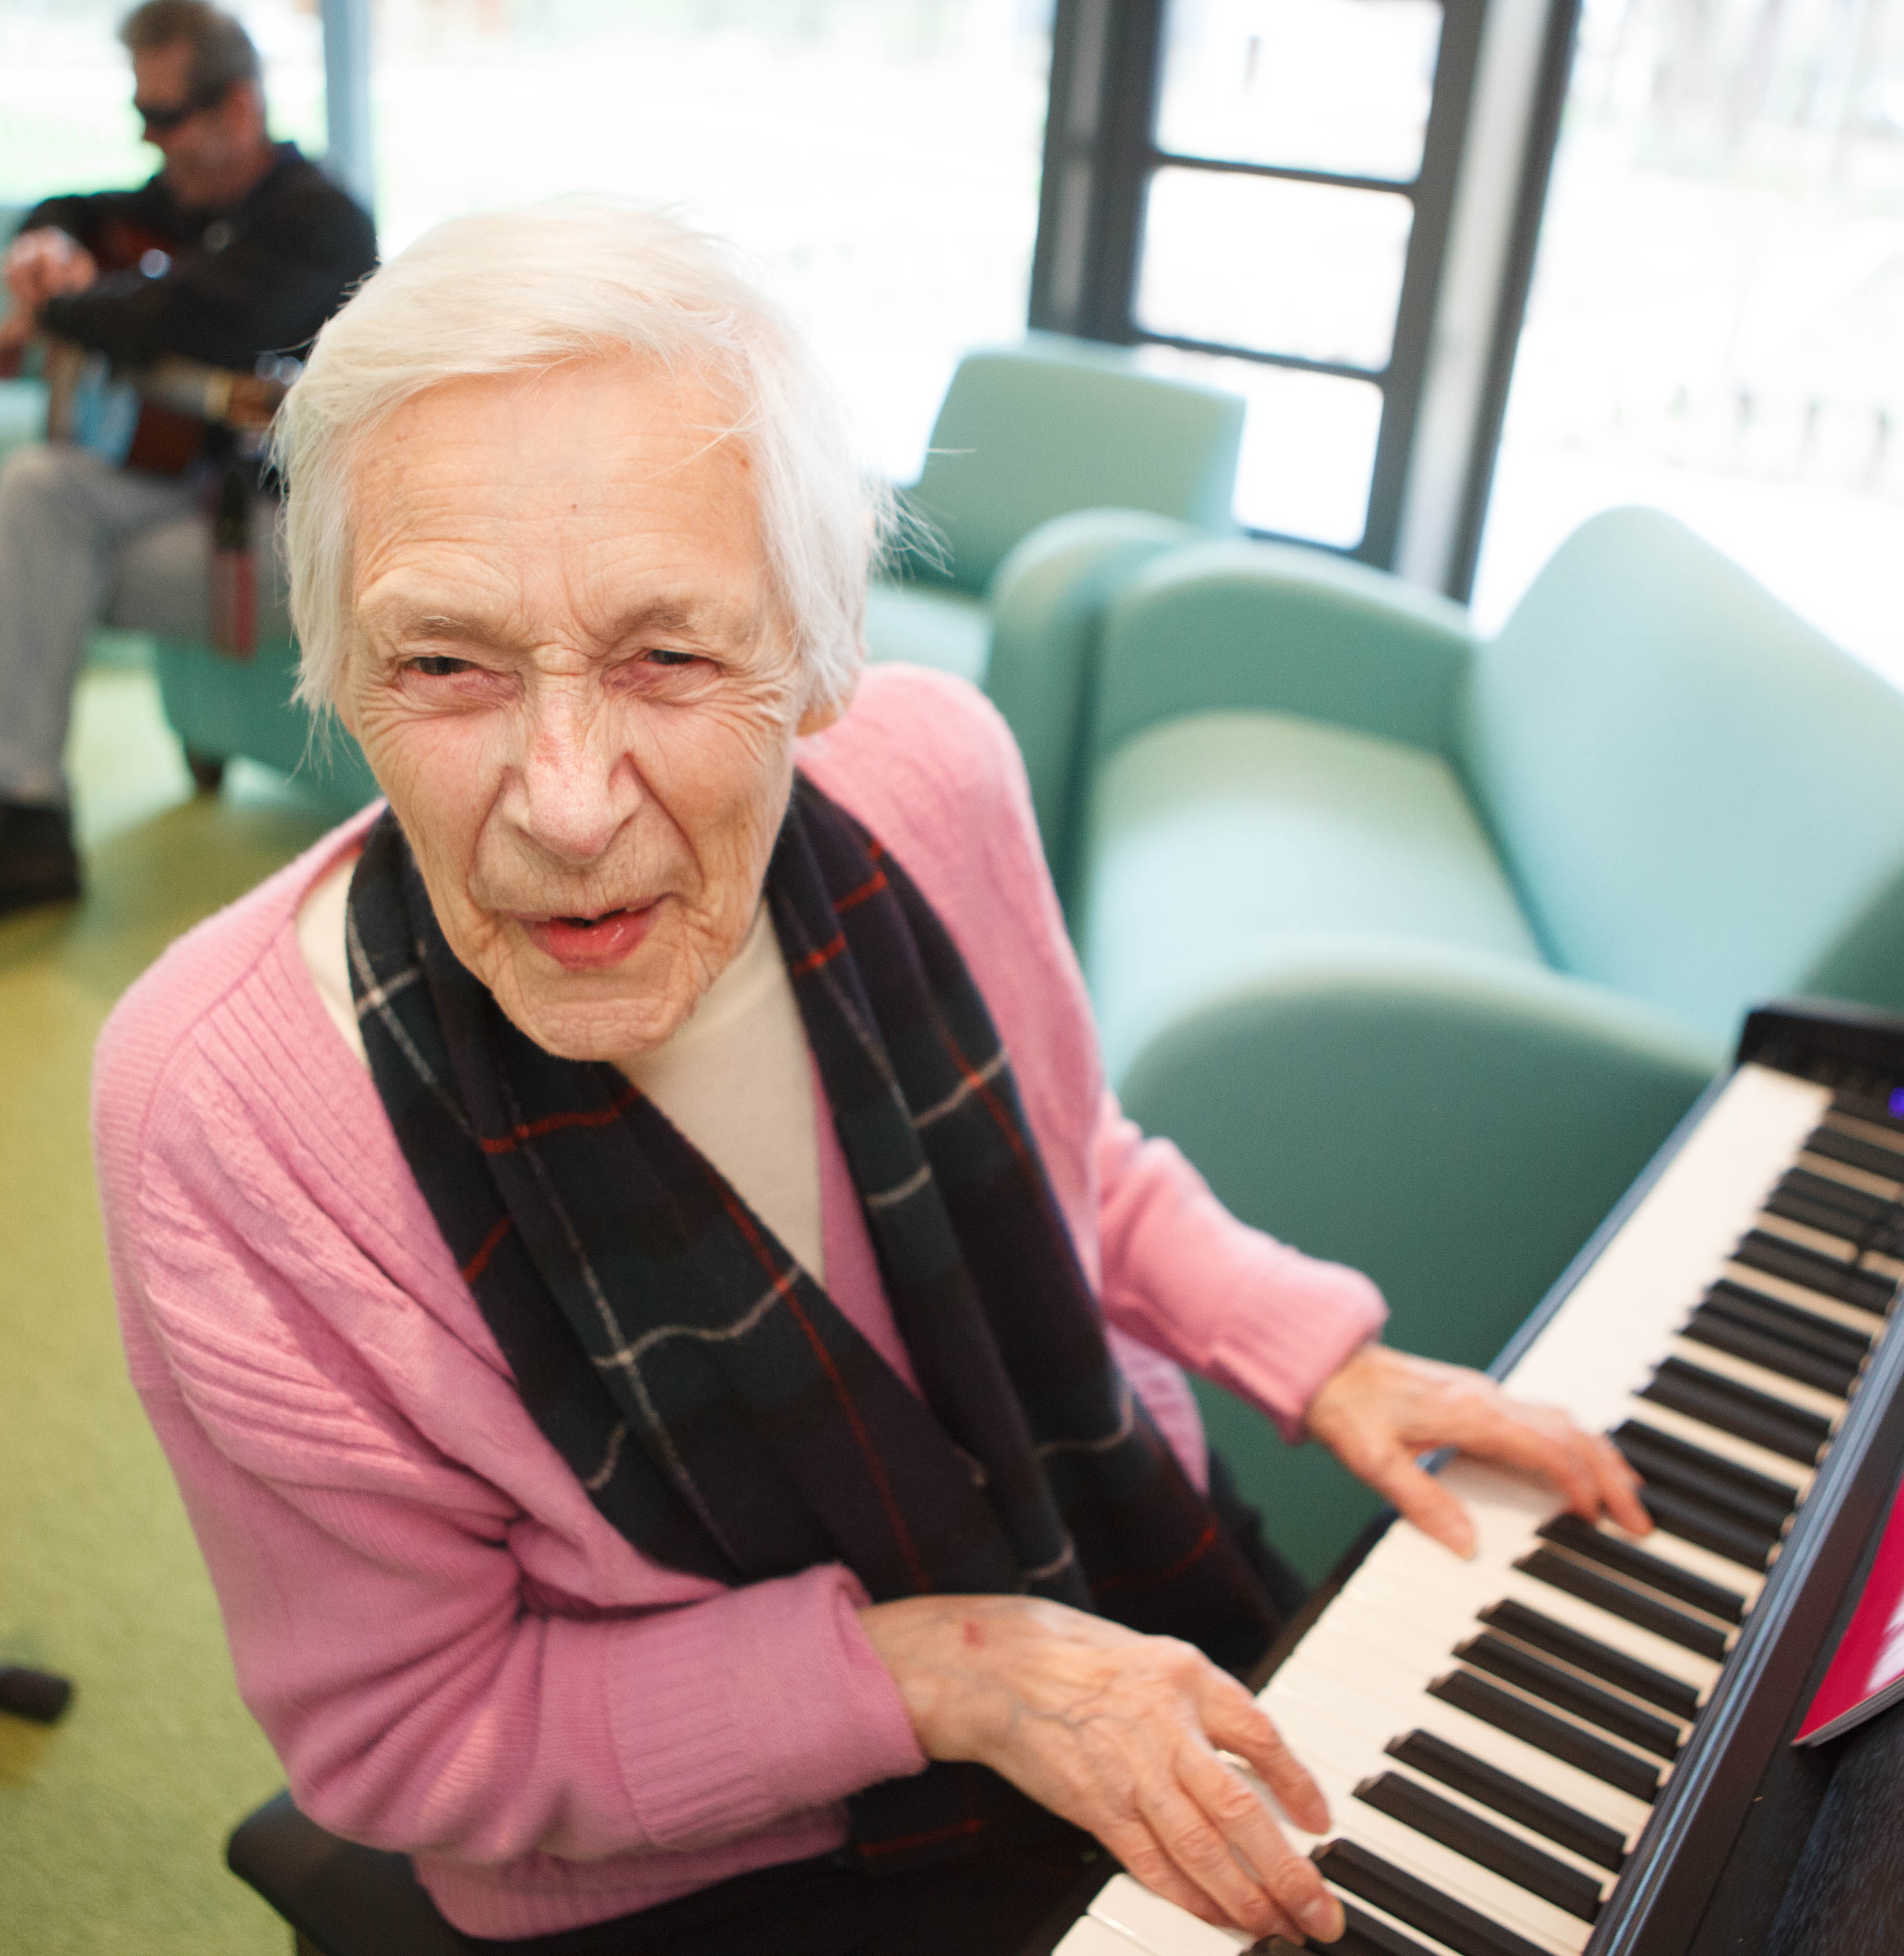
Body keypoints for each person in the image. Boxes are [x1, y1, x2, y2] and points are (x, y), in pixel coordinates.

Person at [94, 204, 1648, 1955]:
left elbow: (1072, 1162)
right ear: (337, 680)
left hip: (1106, 1559)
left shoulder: (934, 778)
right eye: (445, 663)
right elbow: (410, 1739)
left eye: (669, 654)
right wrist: (946, 1674)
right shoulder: (215, 1107)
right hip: (703, 1866)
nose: (567, 804)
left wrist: (1314, 1349)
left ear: (819, 654)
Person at [0, 0, 377, 931]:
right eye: (140, 114)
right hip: (196, 510)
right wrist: (46, 244)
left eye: (166, 117)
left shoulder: (323, 223)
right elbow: (79, 209)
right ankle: (17, 813)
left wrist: (46, 315)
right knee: (36, 487)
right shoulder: (189, 200)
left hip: (298, 544)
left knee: (48, 557)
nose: (150, 139)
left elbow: (180, 317)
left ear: (239, 107)